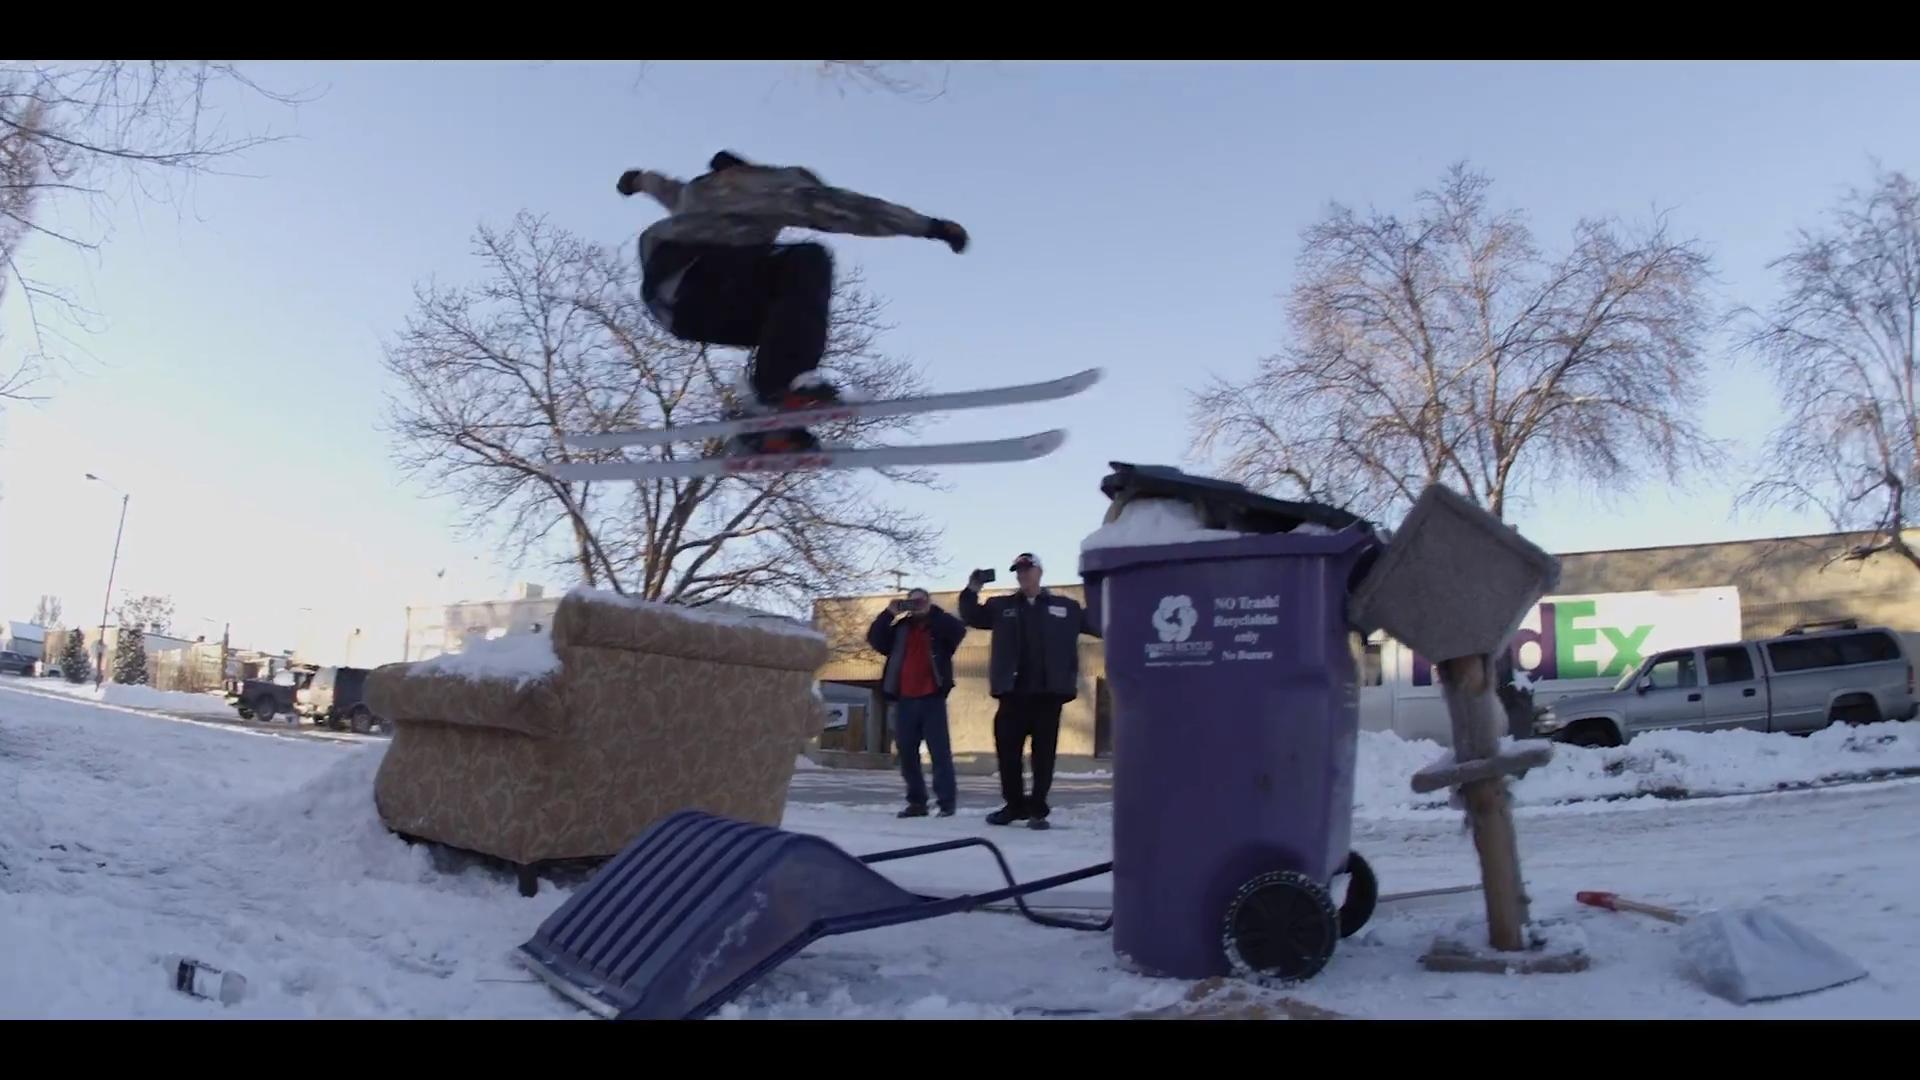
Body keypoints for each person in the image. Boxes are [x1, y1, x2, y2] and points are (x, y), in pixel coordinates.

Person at [616, 150, 970, 453]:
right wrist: (930, 227)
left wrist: (635, 181)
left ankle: (771, 423)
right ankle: (781, 389)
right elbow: (848, 209)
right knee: (807, 262)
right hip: (694, 273)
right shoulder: (769, 187)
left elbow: (659, 185)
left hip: (678, 307)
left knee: (787, 320)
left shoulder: (694, 193)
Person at [958, 553, 1100, 830]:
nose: (1023, 575)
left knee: (1043, 755)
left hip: (1049, 695)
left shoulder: (1066, 607)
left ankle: (1037, 809)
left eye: (1027, 569)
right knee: (1008, 753)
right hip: (1012, 694)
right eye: (1018, 571)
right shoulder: (1001, 606)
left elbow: (1099, 625)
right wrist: (972, 588)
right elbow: (971, 615)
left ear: (1039, 572)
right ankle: (1013, 805)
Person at [866, 587, 967, 818]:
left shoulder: (939, 628)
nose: (917, 605)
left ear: (929, 602)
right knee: (907, 754)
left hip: (932, 698)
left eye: (921, 601)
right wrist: (888, 613)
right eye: (912, 602)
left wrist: (932, 612)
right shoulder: (900, 629)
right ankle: (917, 802)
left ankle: (946, 803)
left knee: (940, 753)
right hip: (905, 700)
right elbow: (875, 639)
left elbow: (958, 631)